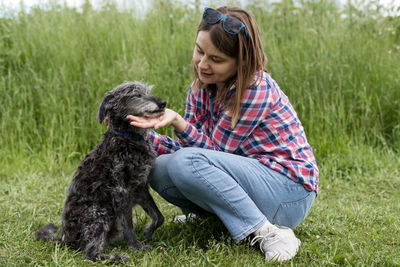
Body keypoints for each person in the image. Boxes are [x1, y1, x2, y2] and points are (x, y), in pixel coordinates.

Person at [126, 6, 319, 262]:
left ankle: (270, 232)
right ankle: (217, 217)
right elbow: (194, 153)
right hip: (247, 182)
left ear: (241, 61)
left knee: (187, 162)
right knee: (158, 166)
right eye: (199, 50)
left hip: (288, 192)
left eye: (216, 59)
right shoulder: (201, 87)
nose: (202, 64)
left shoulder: (255, 88)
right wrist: (139, 134)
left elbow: (209, 154)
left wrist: (179, 123)